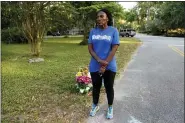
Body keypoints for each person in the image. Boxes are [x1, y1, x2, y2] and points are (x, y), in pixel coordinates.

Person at [88, 8, 120, 119]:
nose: (99, 18)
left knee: (109, 87)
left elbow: (114, 48)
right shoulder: (93, 31)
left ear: (107, 18)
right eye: (97, 17)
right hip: (95, 65)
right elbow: (90, 48)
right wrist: (99, 61)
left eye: (101, 16)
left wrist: (105, 64)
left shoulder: (113, 31)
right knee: (96, 87)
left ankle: (110, 107)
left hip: (110, 65)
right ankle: (95, 105)